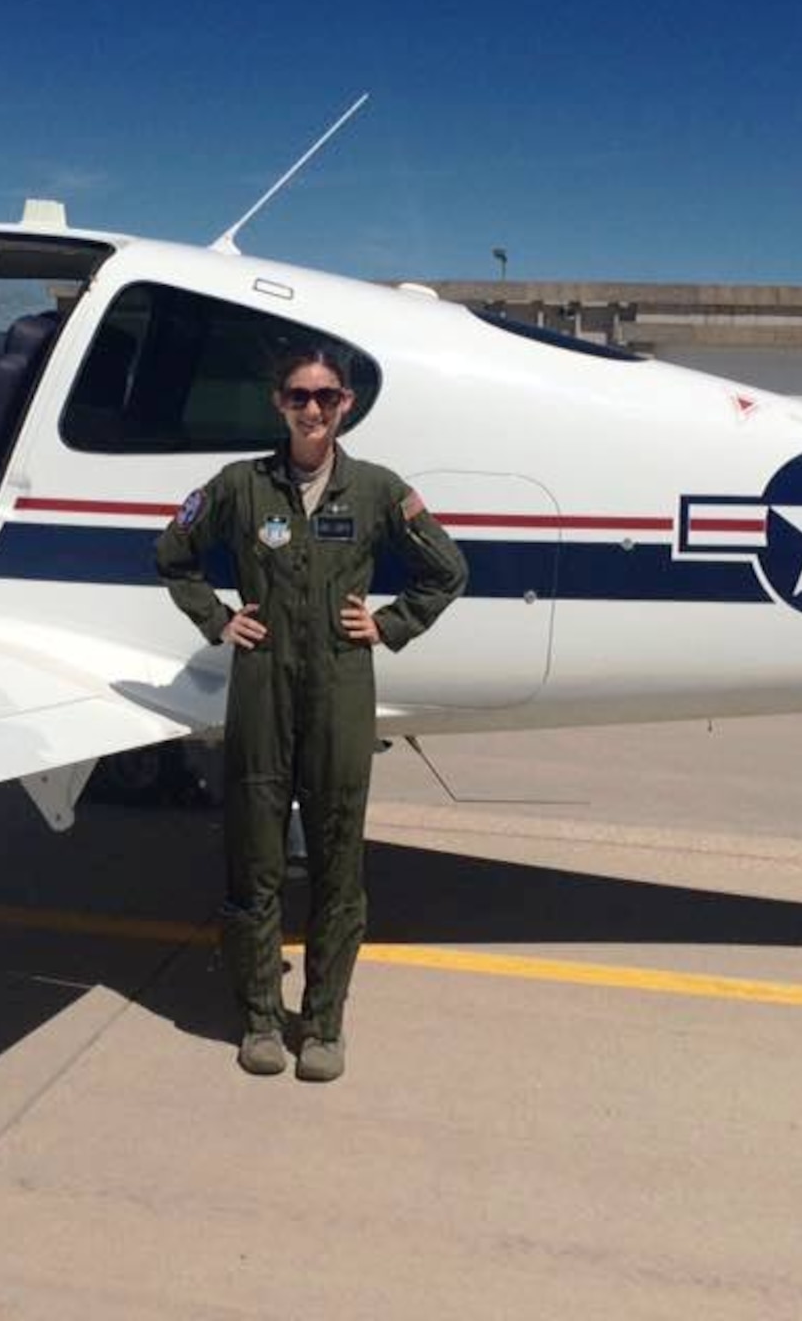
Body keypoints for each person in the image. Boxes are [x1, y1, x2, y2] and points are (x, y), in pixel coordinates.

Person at [155, 347, 467, 1081]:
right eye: (300, 396)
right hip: (262, 685)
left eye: (327, 397)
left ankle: (323, 1025)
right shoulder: (240, 487)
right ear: (280, 403)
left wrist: (390, 625)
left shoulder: (377, 491)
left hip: (340, 687)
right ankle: (262, 1016)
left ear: (346, 405)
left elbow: (447, 569)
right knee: (255, 858)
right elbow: (173, 554)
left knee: (337, 859)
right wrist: (217, 620)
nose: (313, 409)